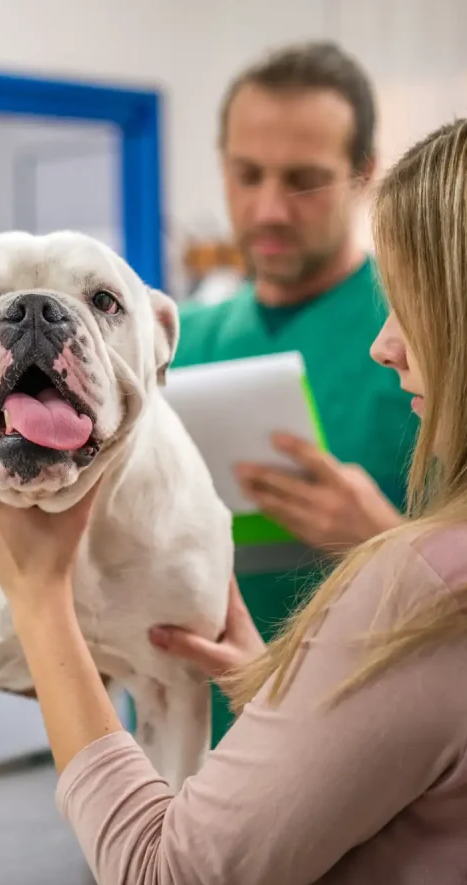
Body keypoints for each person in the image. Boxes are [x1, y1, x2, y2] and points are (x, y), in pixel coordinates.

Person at [0, 119, 467, 885]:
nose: (384, 345)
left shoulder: (422, 582)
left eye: (415, 306)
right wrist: (282, 686)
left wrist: (38, 594)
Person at [172, 41, 419, 745]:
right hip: (181, 761)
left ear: (364, 173)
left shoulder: (426, 339)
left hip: (367, 766)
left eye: (305, 181)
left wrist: (382, 547)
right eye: (247, 175)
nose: (269, 209)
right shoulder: (171, 343)